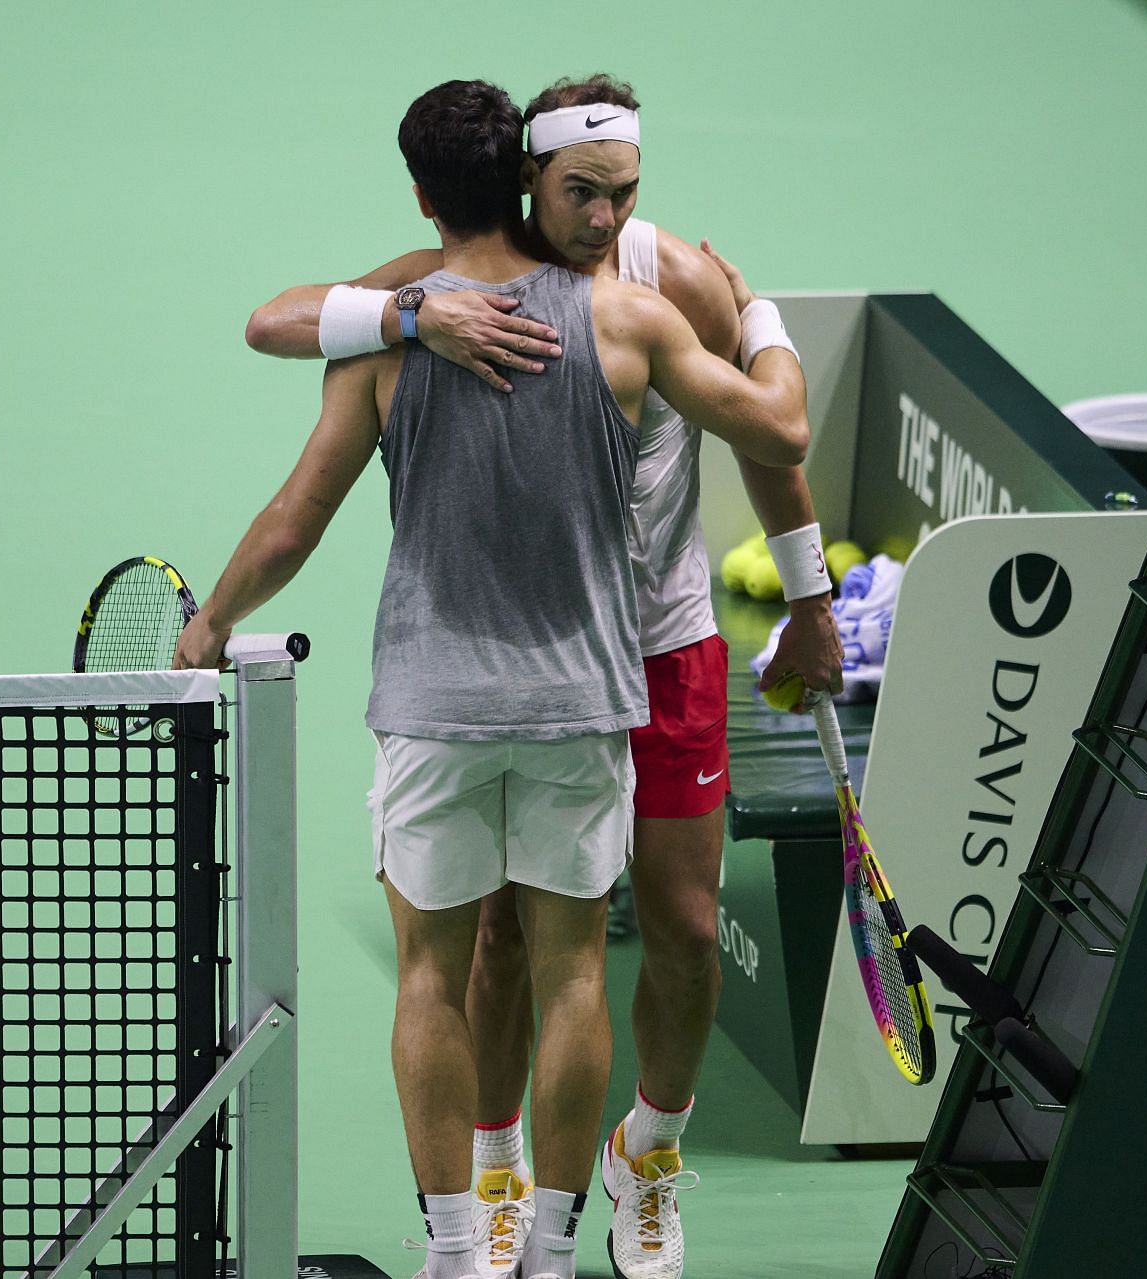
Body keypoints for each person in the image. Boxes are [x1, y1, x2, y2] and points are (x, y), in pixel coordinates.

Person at [173, 79, 806, 1279]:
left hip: (433, 711)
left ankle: (462, 1249)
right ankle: (554, 1250)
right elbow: (779, 433)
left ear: (420, 193)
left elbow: (293, 518)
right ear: (525, 174)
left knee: (436, 972)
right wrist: (763, 315)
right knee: (572, 969)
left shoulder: (383, 341)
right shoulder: (629, 323)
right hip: (580, 707)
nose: (610, 210)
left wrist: (211, 623)